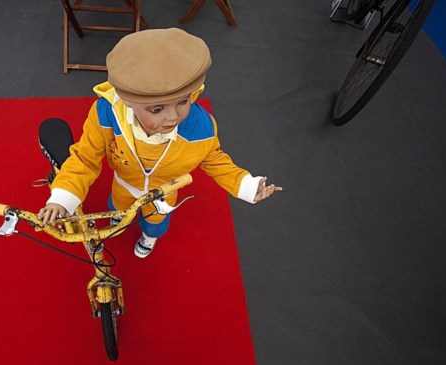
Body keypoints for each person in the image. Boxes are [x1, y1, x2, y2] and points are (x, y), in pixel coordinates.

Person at [39, 28, 282, 258]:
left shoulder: (201, 126)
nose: (173, 117)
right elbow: (85, 158)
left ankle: (149, 237)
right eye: (157, 109)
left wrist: (246, 185)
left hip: (164, 191)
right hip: (124, 182)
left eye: (183, 101)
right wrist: (62, 198)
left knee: (155, 221)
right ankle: (119, 219)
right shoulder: (106, 114)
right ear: (126, 99)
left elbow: (213, 158)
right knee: (118, 206)